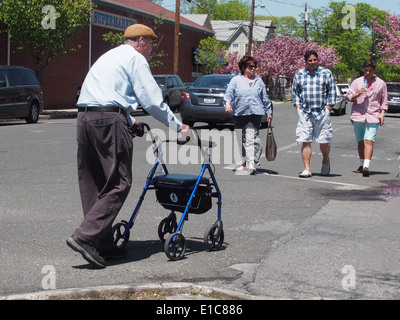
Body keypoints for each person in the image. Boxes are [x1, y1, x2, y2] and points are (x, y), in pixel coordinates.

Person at [66, 24, 189, 268]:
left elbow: (105, 96)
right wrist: (179, 127)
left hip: (85, 118)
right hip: (108, 120)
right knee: (120, 182)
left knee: (95, 182)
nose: (151, 49)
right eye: (151, 43)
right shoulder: (135, 58)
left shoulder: (109, 56)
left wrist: (130, 121)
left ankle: (103, 244)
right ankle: (84, 236)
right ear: (141, 40)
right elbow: (152, 100)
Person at [224, 55, 273, 175]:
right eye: (250, 66)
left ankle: (251, 164)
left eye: (254, 66)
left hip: (255, 113)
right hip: (240, 113)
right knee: (241, 139)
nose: (253, 68)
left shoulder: (258, 81)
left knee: (252, 137)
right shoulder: (236, 80)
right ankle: (244, 163)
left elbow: (264, 98)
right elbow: (229, 93)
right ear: (243, 67)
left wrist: (269, 112)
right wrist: (227, 104)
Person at [292, 50, 336, 178]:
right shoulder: (299, 74)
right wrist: (298, 107)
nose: (312, 62)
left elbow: (332, 92)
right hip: (305, 113)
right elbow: (295, 93)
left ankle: (325, 159)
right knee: (305, 140)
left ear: (318, 60)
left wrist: (328, 108)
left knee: (324, 141)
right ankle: (307, 168)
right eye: (310, 60)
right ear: (306, 62)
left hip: (322, 112)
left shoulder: (326, 73)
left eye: (314, 60)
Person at [346, 59, 388, 177]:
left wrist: (382, 114)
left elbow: (384, 101)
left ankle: (366, 166)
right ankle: (361, 164)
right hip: (358, 115)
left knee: (369, 140)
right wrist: (358, 93)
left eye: (370, 70)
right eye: (365, 70)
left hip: (373, 115)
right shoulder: (357, 82)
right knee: (360, 141)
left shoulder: (381, 83)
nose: (367, 73)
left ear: (374, 70)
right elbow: (349, 97)